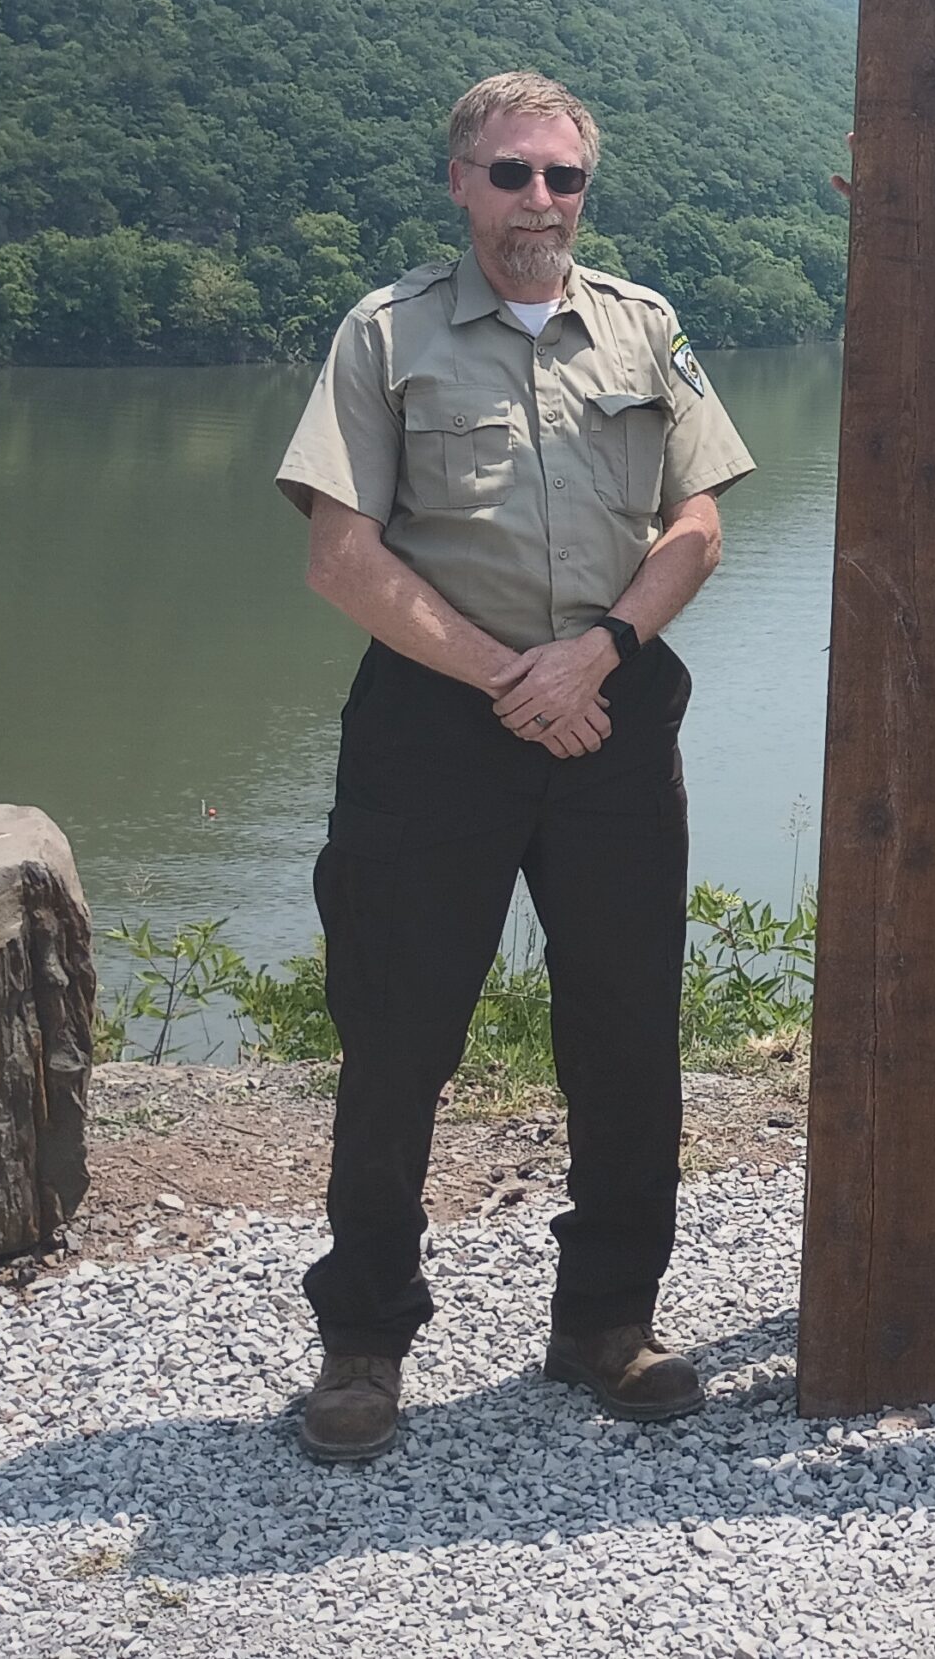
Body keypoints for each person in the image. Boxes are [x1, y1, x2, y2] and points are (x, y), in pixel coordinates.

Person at [272, 71, 755, 1463]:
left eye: (564, 178)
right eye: (512, 174)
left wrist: (595, 653)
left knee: (626, 1030)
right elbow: (341, 556)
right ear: (459, 182)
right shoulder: (388, 334)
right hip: (436, 726)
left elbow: (699, 521)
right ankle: (365, 1337)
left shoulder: (644, 326)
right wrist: (512, 677)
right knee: (398, 1036)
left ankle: (606, 1319)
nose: (540, 200)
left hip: (610, 711)